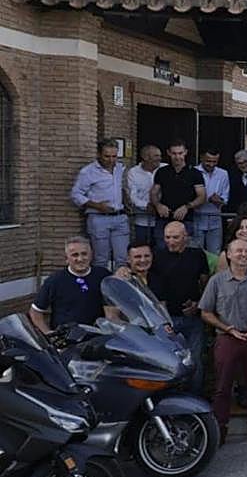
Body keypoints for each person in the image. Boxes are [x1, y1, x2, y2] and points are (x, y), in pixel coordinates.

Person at [199, 238, 247, 445]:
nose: (243, 254)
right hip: (227, 338)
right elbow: (205, 312)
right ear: (228, 255)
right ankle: (219, 429)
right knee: (222, 387)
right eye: (238, 251)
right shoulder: (217, 281)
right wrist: (226, 328)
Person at [149, 221, 210, 394]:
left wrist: (198, 304)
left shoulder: (197, 255)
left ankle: (194, 398)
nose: (170, 241)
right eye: (167, 237)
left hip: (193, 319)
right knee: (165, 361)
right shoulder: (157, 256)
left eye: (175, 237)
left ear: (185, 237)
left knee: (195, 360)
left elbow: (205, 284)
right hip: (166, 320)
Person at [29, 236, 114, 333]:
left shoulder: (103, 276)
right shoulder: (55, 281)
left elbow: (113, 308)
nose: (80, 259)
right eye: (75, 255)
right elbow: (35, 311)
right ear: (66, 258)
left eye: (84, 254)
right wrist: (48, 333)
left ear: (91, 255)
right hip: (67, 338)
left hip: (98, 335)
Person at [71, 138, 129, 269]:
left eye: (114, 156)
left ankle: (119, 282)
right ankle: (100, 282)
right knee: (101, 259)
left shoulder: (120, 168)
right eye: (107, 156)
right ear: (98, 154)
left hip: (120, 217)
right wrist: (97, 205)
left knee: (123, 258)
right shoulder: (88, 171)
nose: (111, 160)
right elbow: (76, 194)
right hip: (98, 218)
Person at [151, 139, 206, 246]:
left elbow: (202, 196)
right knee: (161, 251)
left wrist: (187, 207)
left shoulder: (195, 173)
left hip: (186, 220)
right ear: (168, 153)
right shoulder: (162, 172)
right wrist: (158, 205)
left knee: (185, 251)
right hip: (163, 219)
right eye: (174, 153)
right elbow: (153, 193)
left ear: (185, 152)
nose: (177, 157)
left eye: (180, 153)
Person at [125, 143, 161, 248]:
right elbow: (133, 196)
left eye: (159, 155)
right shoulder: (133, 172)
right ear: (145, 157)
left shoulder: (165, 168)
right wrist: (147, 205)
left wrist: (159, 206)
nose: (159, 158)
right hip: (142, 220)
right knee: (142, 249)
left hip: (161, 220)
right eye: (156, 156)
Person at [194, 146, 229, 254]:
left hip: (215, 219)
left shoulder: (223, 174)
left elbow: (225, 198)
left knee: (215, 253)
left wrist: (219, 200)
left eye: (215, 162)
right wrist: (205, 198)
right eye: (208, 161)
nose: (211, 164)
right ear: (201, 158)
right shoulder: (194, 171)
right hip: (197, 218)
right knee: (196, 252)